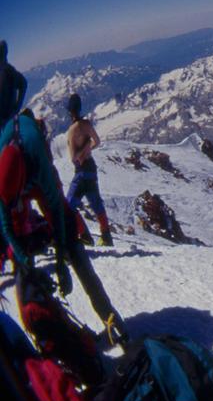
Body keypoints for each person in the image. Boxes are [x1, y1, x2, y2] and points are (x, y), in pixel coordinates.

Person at [0, 110, 127, 345]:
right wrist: (24, 261)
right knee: (22, 263)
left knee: (72, 245)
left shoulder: (38, 164)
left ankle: (111, 320)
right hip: (17, 174)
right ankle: (44, 327)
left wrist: (60, 261)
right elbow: (6, 226)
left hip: (33, 170)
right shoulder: (5, 180)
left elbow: (57, 214)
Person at [65, 93, 113, 246]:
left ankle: (84, 234)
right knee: (96, 203)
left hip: (81, 171)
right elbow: (97, 141)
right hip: (91, 168)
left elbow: (74, 157)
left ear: (69, 111)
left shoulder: (72, 130)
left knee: (69, 205)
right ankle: (106, 236)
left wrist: (82, 149)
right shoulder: (87, 124)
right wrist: (88, 146)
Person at [0, 40, 28, 126]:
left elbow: (23, 83)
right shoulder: (10, 70)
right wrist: (17, 107)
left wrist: (17, 107)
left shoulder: (10, 71)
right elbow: (23, 83)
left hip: (7, 119)